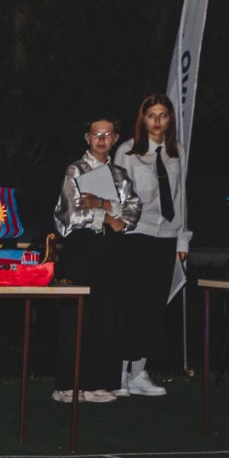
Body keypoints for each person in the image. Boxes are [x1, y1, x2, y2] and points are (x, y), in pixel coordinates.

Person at [50, 116, 140, 403]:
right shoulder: (75, 170)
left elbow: (132, 210)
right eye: (96, 134)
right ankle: (67, 384)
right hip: (82, 246)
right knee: (78, 313)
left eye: (108, 134)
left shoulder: (120, 175)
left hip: (111, 247)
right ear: (87, 138)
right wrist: (108, 215)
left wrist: (103, 206)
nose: (102, 139)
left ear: (115, 139)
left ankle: (98, 383)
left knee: (107, 312)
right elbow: (71, 214)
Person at [110, 95, 190, 397]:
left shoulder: (176, 151)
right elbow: (117, 196)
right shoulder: (127, 151)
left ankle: (139, 373)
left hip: (166, 234)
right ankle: (119, 373)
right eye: (152, 115)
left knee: (155, 305)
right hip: (136, 233)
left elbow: (181, 196)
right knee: (132, 303)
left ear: (170, 119)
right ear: (143, 119)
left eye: (163, 115)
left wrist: (182, 238)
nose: (157, 121)